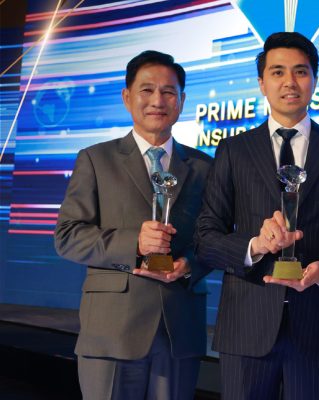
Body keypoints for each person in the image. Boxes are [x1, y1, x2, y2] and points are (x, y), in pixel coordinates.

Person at [195, 32, 319, 399]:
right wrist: (255, 246)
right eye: (277, 72)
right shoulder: (233, 150)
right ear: (262, 83)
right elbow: (206, 236)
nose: (289, 82)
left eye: (300, 72)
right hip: (247, 325)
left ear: (315, 79)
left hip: (318, 324)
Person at [54, 50, 212, 400]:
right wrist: (134, 243)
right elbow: (67, 237)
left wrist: (190, 265)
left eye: (168, 92)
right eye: (147, 90)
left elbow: (214, 239)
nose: (158, 100)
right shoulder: (96, 159)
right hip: (111, 330)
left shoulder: (205, 167)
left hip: (179, 329)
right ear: (127, 97)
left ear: (182, 101)